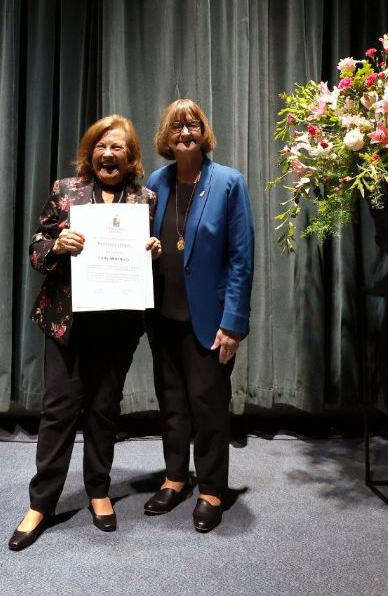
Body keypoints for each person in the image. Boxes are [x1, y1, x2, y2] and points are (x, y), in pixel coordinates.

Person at [9, 115, 162, 551]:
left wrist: (152, 249)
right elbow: (37, 250)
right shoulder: (65, 191)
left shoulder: (144, 199)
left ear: (130, 157)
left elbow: (149, 255)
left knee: (103, 411)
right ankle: (41, 504)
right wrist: (56, 245)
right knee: (59, 413)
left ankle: (98, 492)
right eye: (100, 146)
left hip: (118, 327)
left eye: (117, 147)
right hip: (67, 326)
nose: (108, 154)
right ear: (90, 153)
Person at [144, 99, 254, 532]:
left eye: (191, 125)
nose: (184, 132)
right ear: (166, 137)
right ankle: (176, 479)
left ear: (203, 131)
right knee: (171, 404)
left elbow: (241, 259)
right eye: (176, 126)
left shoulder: (229, 182)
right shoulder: (156, 181)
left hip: (210, 321)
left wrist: (233, 324)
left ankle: (211, 488)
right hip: (162, 316)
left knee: (208, 406)